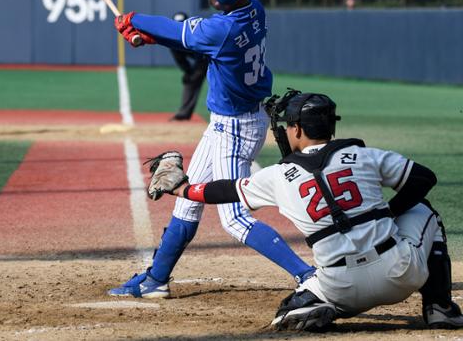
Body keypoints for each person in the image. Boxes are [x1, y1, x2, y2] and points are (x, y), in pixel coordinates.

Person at [147, 89, 463, 331]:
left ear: (297, 130)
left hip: (340, 286)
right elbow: (423, 178)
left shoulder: (278, 175)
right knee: (425, 212)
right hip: (399, 274)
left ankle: (307, 306)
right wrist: (391, 213)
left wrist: (183, 189)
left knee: (289, 307)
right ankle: (439, 307)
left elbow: (225, 189)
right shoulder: (363, 155)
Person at [110, 0, 315, 298]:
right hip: (234, 121)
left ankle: (307, 275)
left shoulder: (223, 28)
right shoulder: (254, 8)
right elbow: (195, 39)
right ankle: (156, 279)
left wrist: (134, 20)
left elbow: (187, 33)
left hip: (235, 128)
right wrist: (151, 37)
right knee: (187, 202)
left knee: (234, 219)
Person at [168, 12, 208, 121]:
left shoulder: (196, 34)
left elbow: (202, 55)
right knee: (190, 80)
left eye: (181, 24)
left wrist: (193, 72)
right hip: (202, 60)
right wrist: (188, 71)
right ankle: (183, 114)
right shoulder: (172, 39)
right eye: (177, 25)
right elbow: (180, 60)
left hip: (213, 57)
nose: (179, 27)